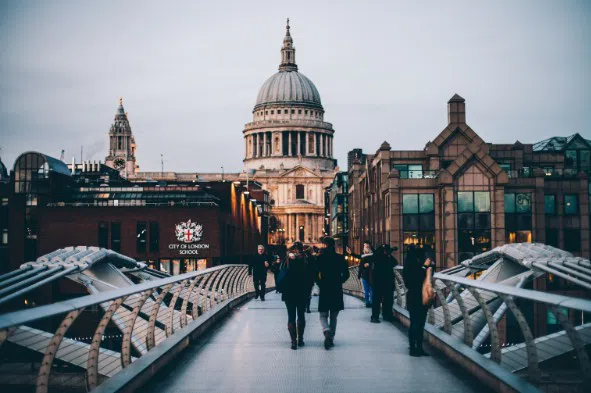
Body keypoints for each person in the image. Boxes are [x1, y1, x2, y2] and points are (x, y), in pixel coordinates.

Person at [316, 237, 350, 350]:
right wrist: (340, 281)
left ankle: (326, 331)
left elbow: (315, 273)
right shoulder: (340, 258)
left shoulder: (320, 258)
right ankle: (331, 337)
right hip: (336, 288)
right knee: (334, 315)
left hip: (325, 288)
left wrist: (320, 283)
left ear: (324, 245)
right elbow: (346, 274)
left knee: (323, 314)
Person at [403, 245, 435, 357]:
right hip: (414, 297)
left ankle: (419, 347)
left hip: (419, 298)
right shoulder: (410, 267)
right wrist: (424, 267)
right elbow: (414, 279)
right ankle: (413, 348)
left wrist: (429, 267)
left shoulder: (415, 265)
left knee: (420, 324)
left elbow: (427, 278)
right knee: (415, 324)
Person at [281, 242, 312, 349]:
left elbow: (280, 273)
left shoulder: (287, 260)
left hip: (289, 292)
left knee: (291, 317)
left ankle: (293, 342)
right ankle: (300, 339)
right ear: (301, 249)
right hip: (302, 292)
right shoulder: (306, 259)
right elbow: (310, 276)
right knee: (301, 315)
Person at [370, 244, 398, 323]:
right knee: (380, 300)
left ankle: (382, 316)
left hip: (383, 282)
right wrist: (388, 255)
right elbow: (394, 263)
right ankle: (378, 316)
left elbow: (395, 263)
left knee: (385, 300)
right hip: (381, 282)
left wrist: (388, 255)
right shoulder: (379, 257)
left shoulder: (384, 257)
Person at [347, 242, 374, 308]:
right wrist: (351, 253)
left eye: (367, 246)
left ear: (370, 247)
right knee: (366, 290)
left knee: (371, 289)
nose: (365, 247)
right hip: (364, 275)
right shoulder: (363, 255)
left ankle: (371, 302)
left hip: (372, 275)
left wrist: (369, 264)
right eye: (364, 246)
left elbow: (374, 262)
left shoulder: (373, 255)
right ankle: (368, 302)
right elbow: (358, 257)